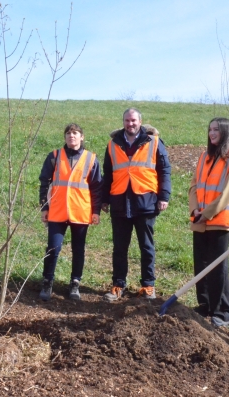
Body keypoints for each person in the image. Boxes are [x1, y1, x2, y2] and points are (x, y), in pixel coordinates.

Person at [102, 108, 171, 301]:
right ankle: (118, 285)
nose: (130, 124)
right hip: (119, 202)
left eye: (133, 120)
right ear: (123, 122)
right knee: (119, 248)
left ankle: (148, 286)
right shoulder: (112, 145)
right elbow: (108, 174)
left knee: (146, 246)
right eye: (127, 120)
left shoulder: (154, 142)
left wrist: (164, 196)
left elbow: (164, 170)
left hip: (145, 202)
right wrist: (105, 199)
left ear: (140, 122)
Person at [188, 117, 229, 327]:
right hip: (200, 219)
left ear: (225, 132)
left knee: (217, 266)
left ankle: (223, 312)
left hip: (219, 220)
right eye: (210, 129)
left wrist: (208, 213)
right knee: (200, 263)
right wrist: (195, 209)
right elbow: (194, 185)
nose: (212, 134)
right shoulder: (204, 156)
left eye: (216, 130)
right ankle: (205, 305)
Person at [38, 123, 103, 301]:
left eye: (75, 133)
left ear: (82, 137)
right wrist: (44, 207)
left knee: (78, 249)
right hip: (57, 211)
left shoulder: (91, 159)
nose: (71, 136)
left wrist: (96, 211)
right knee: (53, 247)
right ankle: (47, 281)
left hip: (80, 212)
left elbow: (97, 187)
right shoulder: (54, 156)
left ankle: (75, 282)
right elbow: (44, 182)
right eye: (68, 133)